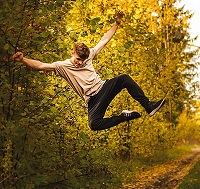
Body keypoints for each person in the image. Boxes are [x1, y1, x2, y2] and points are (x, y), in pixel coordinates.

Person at [13, 11, 165, 131]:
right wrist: (23, 60)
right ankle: (124, 117)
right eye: (78, 59)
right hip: (92, 100)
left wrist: (116, 24)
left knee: (124, 78)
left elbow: (103, 41)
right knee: (94, 124)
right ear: (73, 53)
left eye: (83, 61)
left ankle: (149, 106)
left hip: (103, 88)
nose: (80, 63)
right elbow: (40, 66)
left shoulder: (89, 55)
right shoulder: (63, 66)